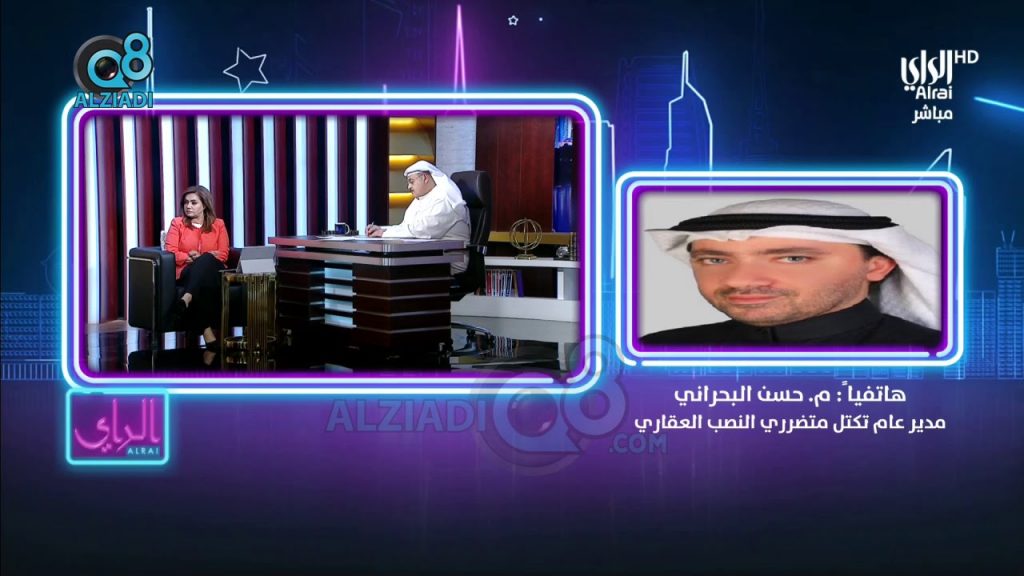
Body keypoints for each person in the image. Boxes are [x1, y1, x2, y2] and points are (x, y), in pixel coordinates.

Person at [641, 198, 942, 347]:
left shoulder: (932, 355)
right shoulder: (658, 349)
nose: (738, 280)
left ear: (877, 266)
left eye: (793, 258)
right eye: (715, 260)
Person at [366, 160, 471, 272]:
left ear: (425, 178)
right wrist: (382, 229)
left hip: (448, 262)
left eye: (412, 182)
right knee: (378, 265)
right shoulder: (420, 199)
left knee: (388, 268)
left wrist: (383, 234)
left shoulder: (445, 200)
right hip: (430, 257)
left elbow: (420, 231)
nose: (409, 187)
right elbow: (406, 227)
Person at [164, 185, 230, 351]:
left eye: (193, 202)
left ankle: (187, 297)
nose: (188, 206)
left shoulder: (218, 224)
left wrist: (202, 257)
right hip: (187, 269)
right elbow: (171, 251)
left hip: (214, 270)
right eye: (186, 202)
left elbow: (223, 254)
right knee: (201, 280)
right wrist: (188, 257)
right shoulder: (177, 223)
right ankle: (207, 332)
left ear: (205, 205)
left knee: (206, 260)